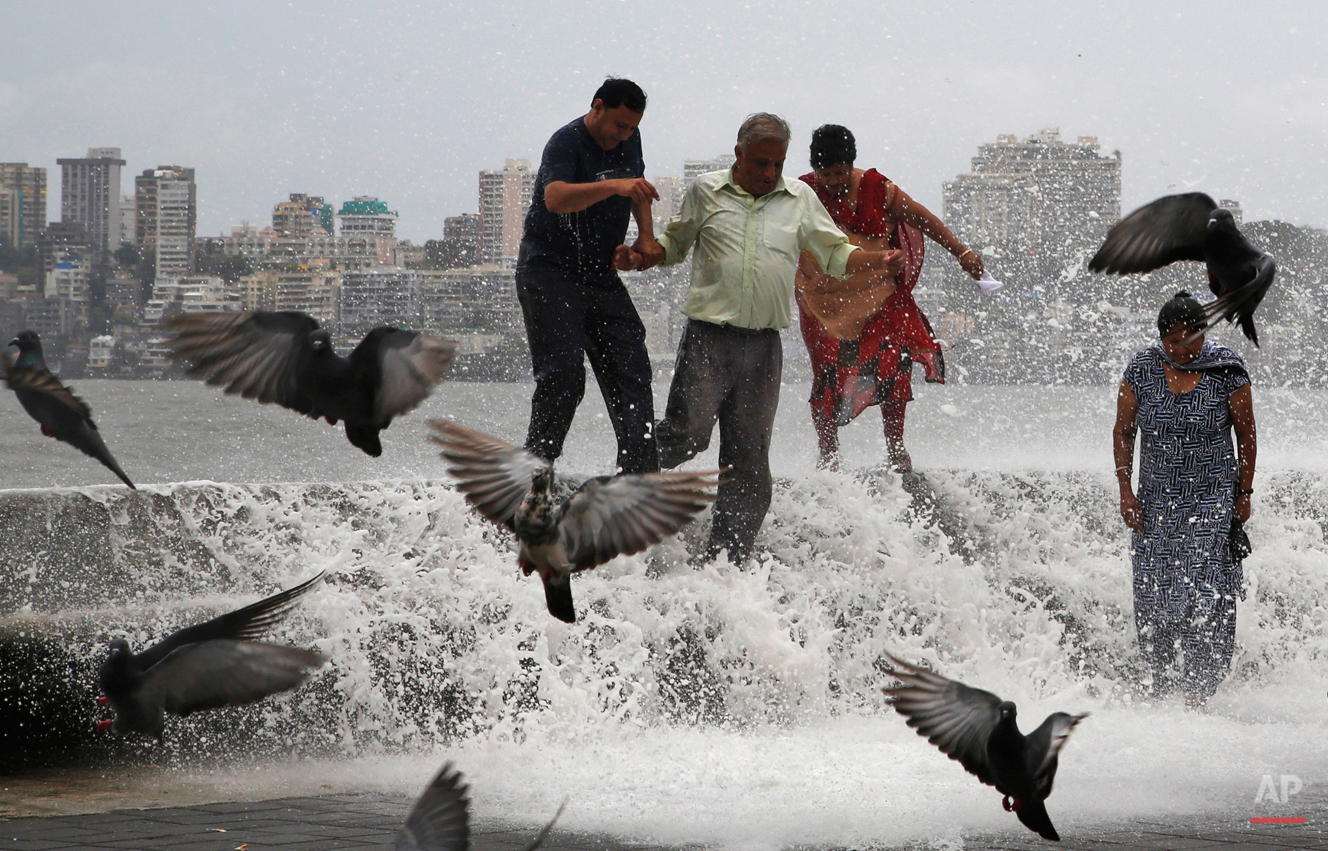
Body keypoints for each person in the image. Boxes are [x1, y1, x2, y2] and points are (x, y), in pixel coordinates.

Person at [636, 113, 905, 563]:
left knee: (749, 462)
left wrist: (877, 261)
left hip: (764, 348)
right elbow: (675, 246)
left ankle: (726, 563)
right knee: (687, 436)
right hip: (708, 338)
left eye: (776, 164)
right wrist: (644, 255)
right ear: (738, 154)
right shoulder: (706, 190)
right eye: (759, 162)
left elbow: (835, 253)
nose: (767, 172)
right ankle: (622, 492)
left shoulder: (800, 198)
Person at [795, 125, 983, 470]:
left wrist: (962, 251)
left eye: (840, 172)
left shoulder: (875, 188)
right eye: (826, 174)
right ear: (814, 170)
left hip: (878, 294)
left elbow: (922, 218)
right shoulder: (801, 192)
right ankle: (829, 454)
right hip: (822, 301)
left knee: (895, 363)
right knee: (827, 374)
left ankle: (896, 448)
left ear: (851, 165)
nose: (834, 180)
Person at [1113, 292, 1256, 708]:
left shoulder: (1227, 369)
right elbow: (1124, 432)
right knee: (1154, 595)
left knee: (1206, 594)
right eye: (1173, 342)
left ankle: (1199, 694)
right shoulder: (1141, 368)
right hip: (1156, 503)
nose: (1183, 350)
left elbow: (1246, 434)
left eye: (1191, 340)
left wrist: (1243, 493)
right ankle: (1162, 688)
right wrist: (1126, 491)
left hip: (1213, 501)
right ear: (1161, 339)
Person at [516, 77, 662, 475]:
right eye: (618, 124)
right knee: (564, 377)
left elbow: (638, 190)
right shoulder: (565, 141)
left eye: (632, 127)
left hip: (599, 274)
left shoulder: (630, 140)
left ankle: (639, 480)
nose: (624, 134)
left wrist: (643, 241)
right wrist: (614, 184)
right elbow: (556, 197)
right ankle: (533, 474)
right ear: (597, 106)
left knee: (632, 371)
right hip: (548, 270)